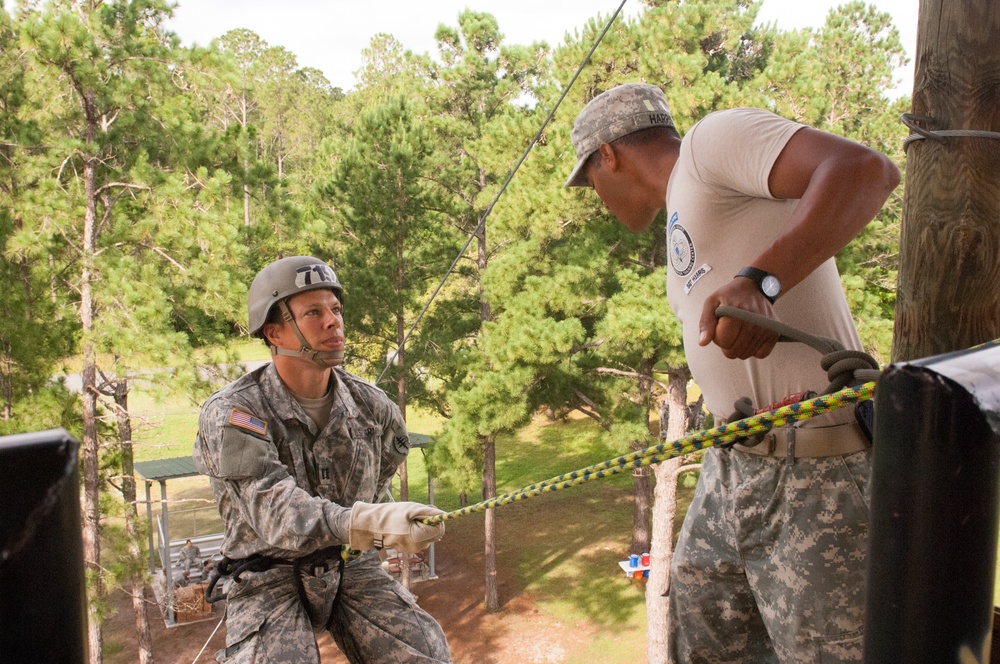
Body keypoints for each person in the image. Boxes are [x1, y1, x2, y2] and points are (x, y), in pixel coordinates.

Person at [565, 84, 899, 662]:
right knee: (701, 648)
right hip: (731, 468)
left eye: (588, 179)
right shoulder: (682, 222)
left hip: (818, 470)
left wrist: (761, 280)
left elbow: (866, 171)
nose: (594, 196)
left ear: (608, 155)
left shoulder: (709, 144)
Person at [193, 256, 452, 664]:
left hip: (351, 564)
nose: (333, 322)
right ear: (274, 332)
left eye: (336, 309)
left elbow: (383, 471)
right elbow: (274, 511)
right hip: (267, 575)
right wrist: (363, 523)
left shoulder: (373, 407)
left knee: (424, 654)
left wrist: (382, 525)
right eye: (313, 312)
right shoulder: (233, 414)